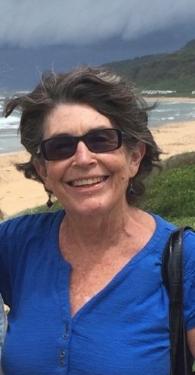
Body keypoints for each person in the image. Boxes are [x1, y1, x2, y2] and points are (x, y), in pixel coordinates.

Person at [0, 66, 195, 375]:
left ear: (134, 157)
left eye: (101, 140)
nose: (82, 158)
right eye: (61, 147)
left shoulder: (185, 259)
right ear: (42, 171)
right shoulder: (15, 244)